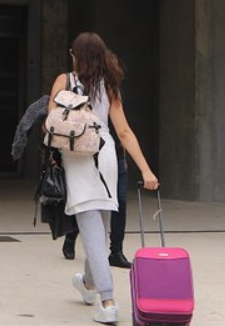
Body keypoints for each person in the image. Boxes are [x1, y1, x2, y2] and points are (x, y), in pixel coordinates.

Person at [52, 32, 158, 325]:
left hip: (78, 158)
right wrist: (145, 169)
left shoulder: (65, 81)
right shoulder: (109, 85)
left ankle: (108, 300)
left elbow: (51, 123)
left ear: (75, 55)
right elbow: (123, 131)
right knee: (98, 228)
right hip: (107, 155)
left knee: (93, 229)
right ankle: (88, 284)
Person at [61, 119, 130, 268]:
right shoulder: (86, 99)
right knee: (91, 203)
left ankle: (116, 251)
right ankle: (71, 235)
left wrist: (123, 156)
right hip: (93, 154)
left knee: (121, 203)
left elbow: (123, 130)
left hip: (115, 154)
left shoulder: (113, 97)